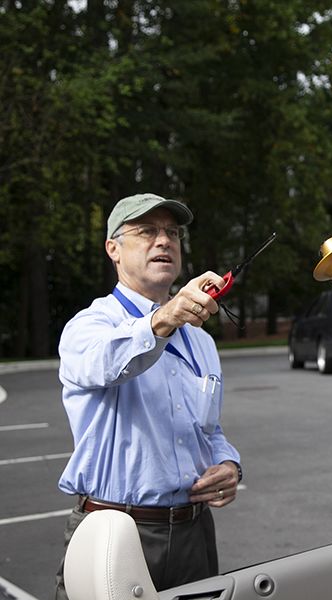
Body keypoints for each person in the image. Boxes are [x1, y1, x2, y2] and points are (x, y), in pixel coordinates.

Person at [53, 193, 243, 599]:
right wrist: (165, 318)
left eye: (171, 232)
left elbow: (208, 429)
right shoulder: (89, 325)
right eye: (146, 231)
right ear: (113, 250)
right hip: (112, 532)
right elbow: (108, 362)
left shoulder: (201, 343)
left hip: (194, 532)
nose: (164, 240)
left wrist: (228, 464)